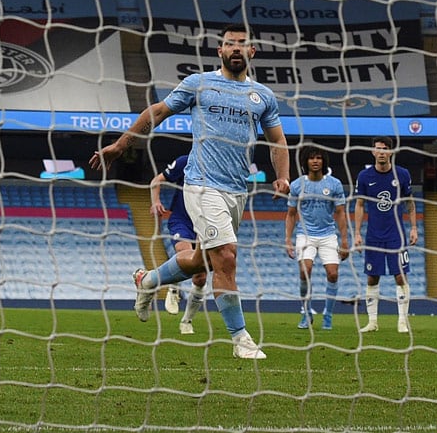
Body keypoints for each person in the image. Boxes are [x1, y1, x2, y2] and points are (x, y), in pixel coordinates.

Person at [91, 23, 291, 360]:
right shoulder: (199, 84)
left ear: (252, 52)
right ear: (220, 50)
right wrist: (120, 144)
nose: (236, 49)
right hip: (200, 185)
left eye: (243, 44)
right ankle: (241, 339)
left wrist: (282, 177)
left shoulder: (263, 97)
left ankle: (149, 281)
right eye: (230, 44)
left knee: (204, 261)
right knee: (226, 256)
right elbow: (157, 111)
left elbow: (278, 141)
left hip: (236, 191)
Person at [353, 136, 418, 333]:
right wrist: (357, 232)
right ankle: (372, 322)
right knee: (372, 278)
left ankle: (402, 321)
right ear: (373, 152)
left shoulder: (403, 174)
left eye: (385, 149)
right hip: (373, 235)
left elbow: (410, 203)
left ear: (391, 152)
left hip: (396, 235)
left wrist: (414, 228)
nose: (381, 152)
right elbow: (360, 205)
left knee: (400, 276)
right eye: (378, 149)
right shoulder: (364, 177)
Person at [286, 145, 350, 331]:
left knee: (333, 274)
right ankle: (306, 313)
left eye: (319, 158)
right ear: (306, 162)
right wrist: (287, 240)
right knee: (305, 270)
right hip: (305, 235)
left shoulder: (334, 185)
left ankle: (328, 316)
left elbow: (340, 213)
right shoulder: (297, 185)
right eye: (312, 158)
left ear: (323, 162)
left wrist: (345, 240)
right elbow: (291, 214)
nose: (315, 161)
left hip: (328, 236)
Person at [149, 152, 209, 335]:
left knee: (200, 277)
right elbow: (156, 181)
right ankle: (174, 287)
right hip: (181, 221)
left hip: (206, 223)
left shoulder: (221, 166)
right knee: (184, 253)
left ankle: (187, 320)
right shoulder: (186, 161)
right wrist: (156, 201)